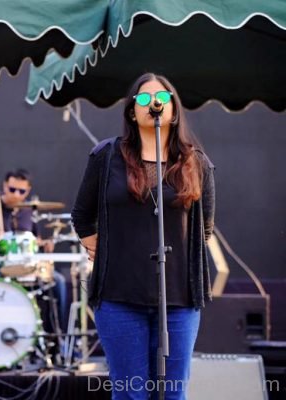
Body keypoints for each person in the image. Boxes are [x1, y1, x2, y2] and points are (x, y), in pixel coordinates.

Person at [72, 72, 215, 399]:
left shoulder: (198, 164)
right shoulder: (106, 157)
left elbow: (203, 228)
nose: (154, 104)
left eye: (162, 99)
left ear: (174, 110)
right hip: (119, 297)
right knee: (130, 394)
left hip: (179, 298)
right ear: (131, 111)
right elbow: (82, 215)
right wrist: (104, 248)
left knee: (172, 393)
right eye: (144, 99)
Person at [0, 169, 68, 330]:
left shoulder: (29, 210)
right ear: (4, 186)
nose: (16, 195)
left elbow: (34, 239)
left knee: (58, 281)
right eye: (12, 189)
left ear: (28, 191)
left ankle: (57, 338)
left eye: (21, 191)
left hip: (27, 264)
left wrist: (44, 244)